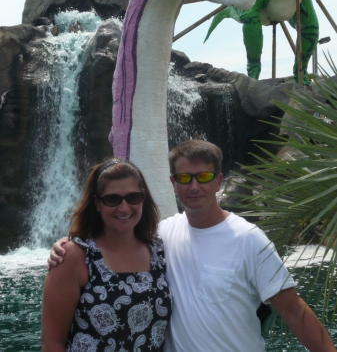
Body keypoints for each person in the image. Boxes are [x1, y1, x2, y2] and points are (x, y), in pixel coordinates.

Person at [49, 140, 336, 352]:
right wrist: (67, 243)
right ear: (173, 183)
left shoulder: (249, 239)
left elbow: (294, 312)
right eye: (185, 178)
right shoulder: (162, 235)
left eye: (204, 177)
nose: (194, 186)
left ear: (219, 181)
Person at [42, 158, 172, 352]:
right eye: (112, 199)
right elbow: (51, 343)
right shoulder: (73, 256)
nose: (124, 208)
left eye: (133, 197)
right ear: (97, 202)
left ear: (143, 197)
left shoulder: (158, 250)